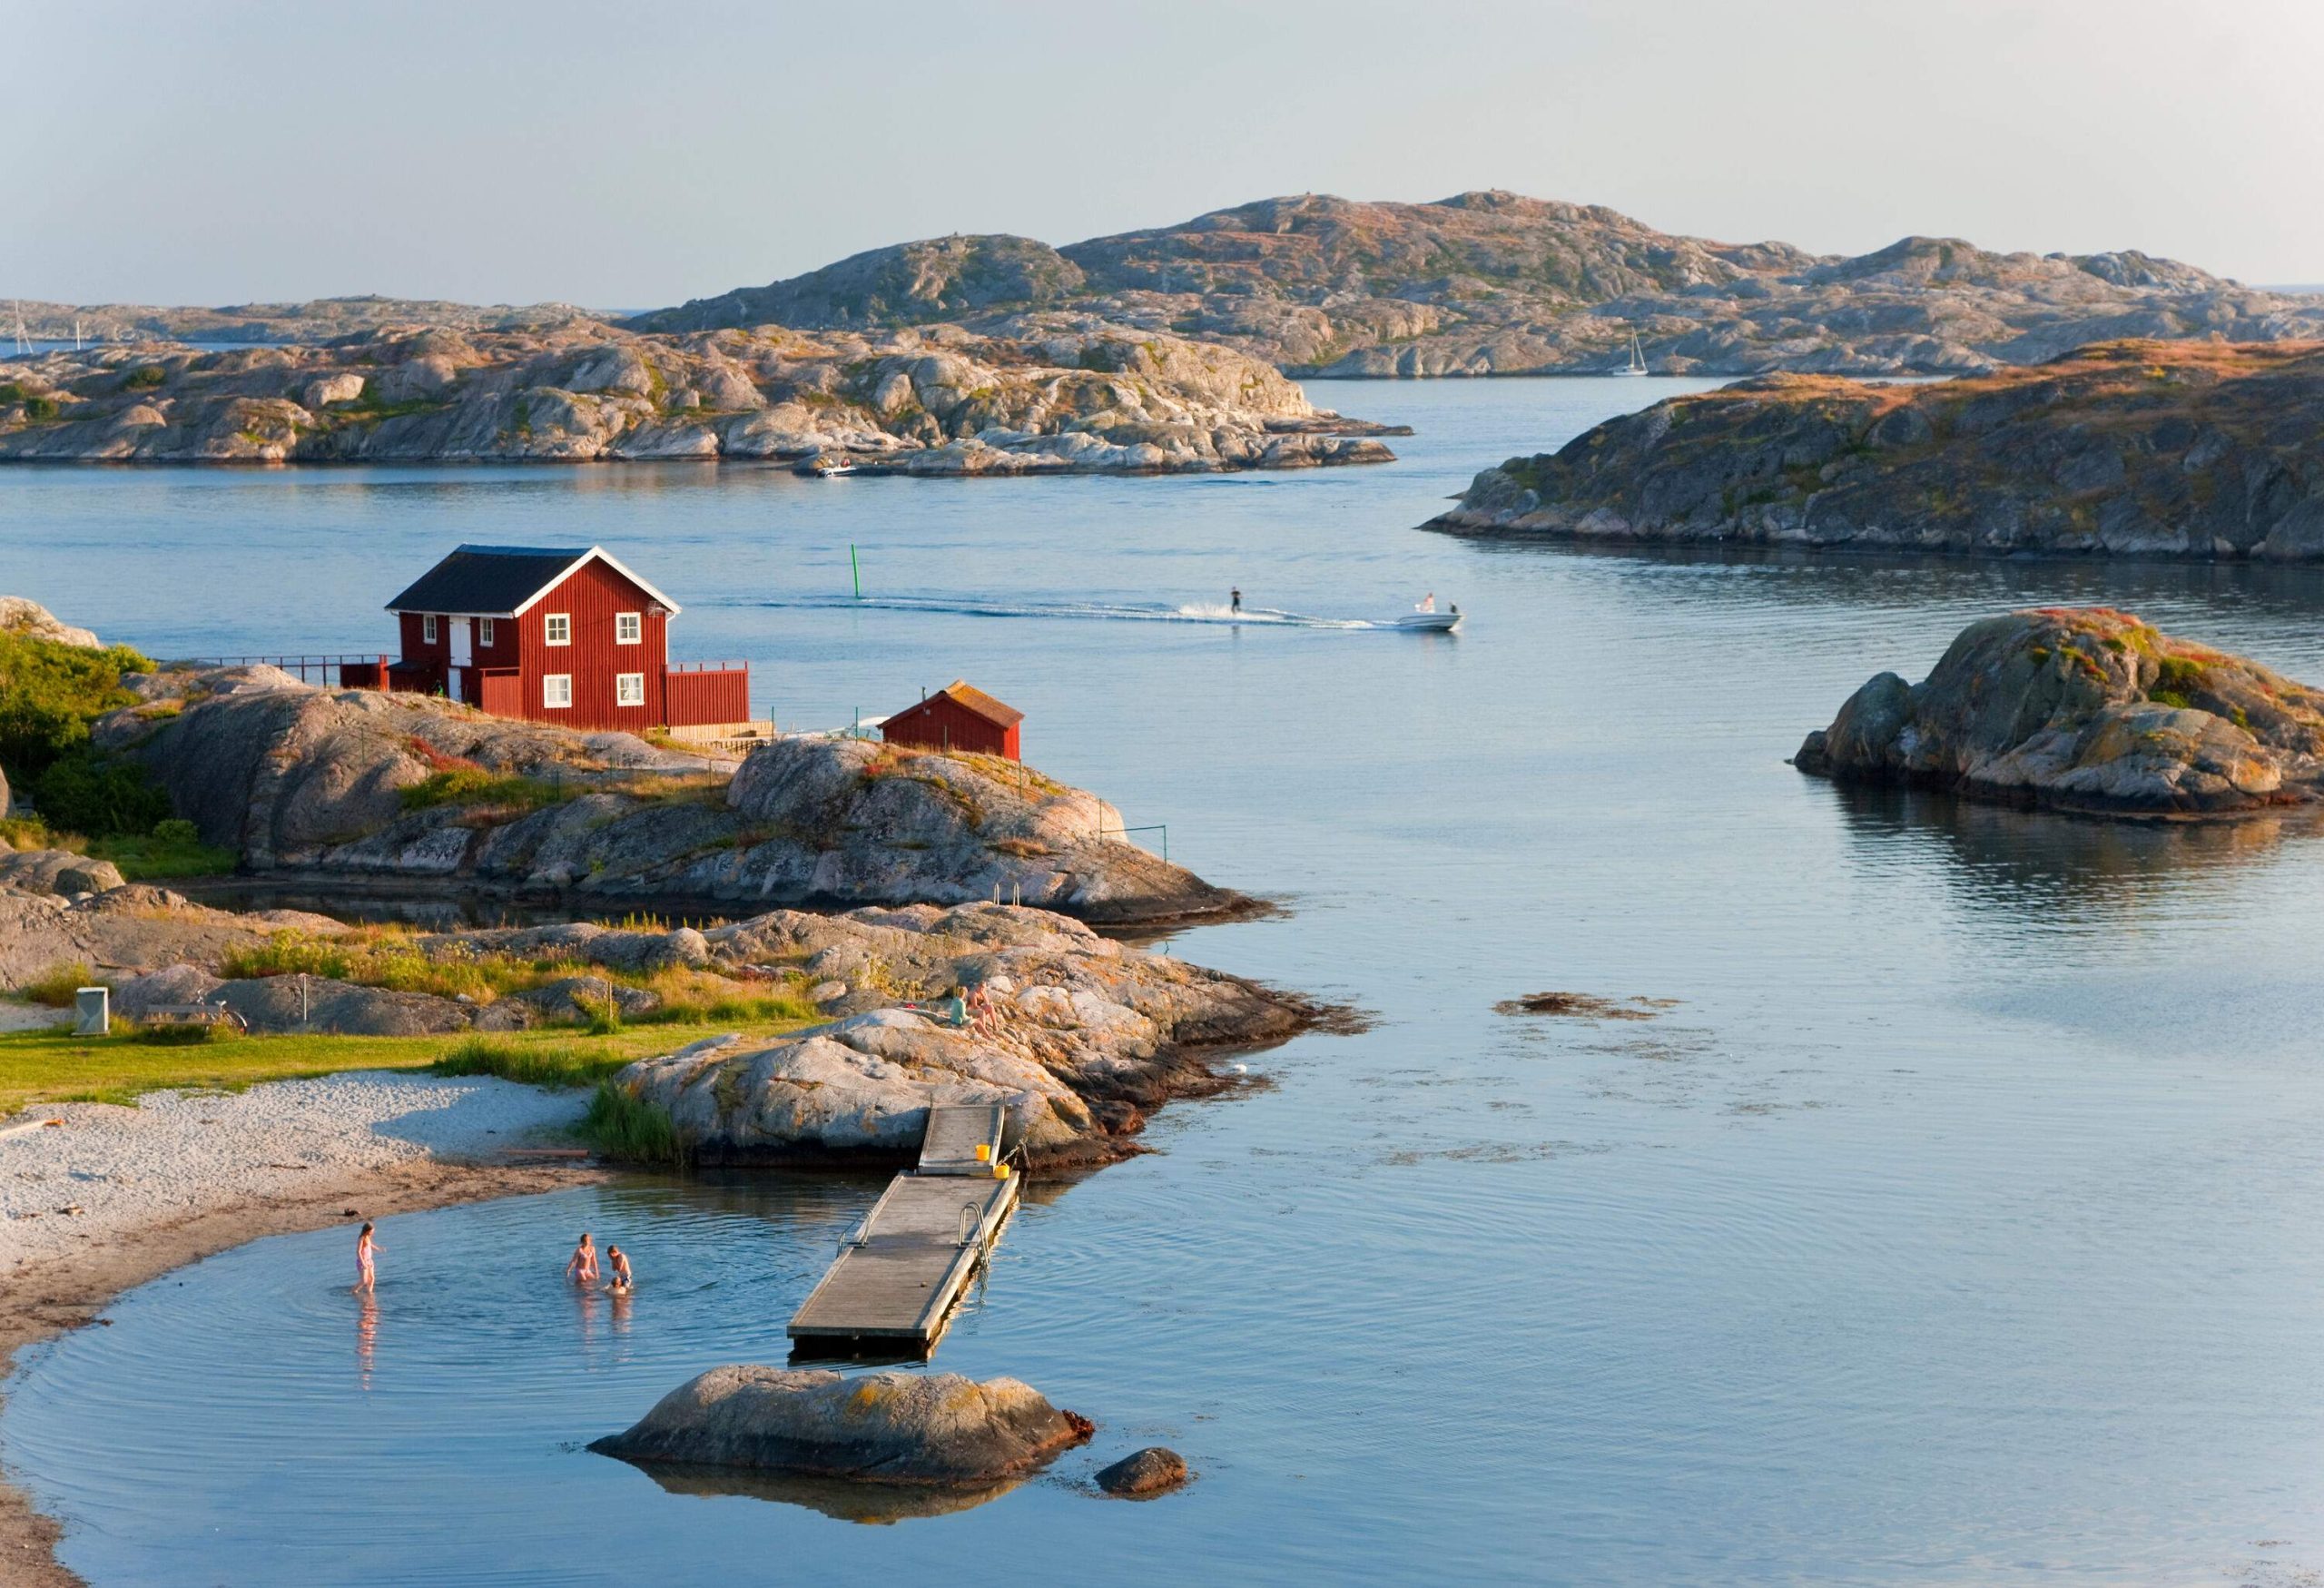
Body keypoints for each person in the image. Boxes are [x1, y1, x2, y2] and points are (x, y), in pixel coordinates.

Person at [354, 1221, 380, 1293]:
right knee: (364, 1281)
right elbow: (358, 1251)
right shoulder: (361, 1238)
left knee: (371, 1278)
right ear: (367, 1230)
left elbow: (370, 1245)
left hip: (369, 1261)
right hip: (363, 1261)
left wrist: (378, 1249)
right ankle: (353, 1291)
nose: (372, 1233)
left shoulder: (368, 1237)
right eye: (372, 1231)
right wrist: (363, 1263)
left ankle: (369, 1292)